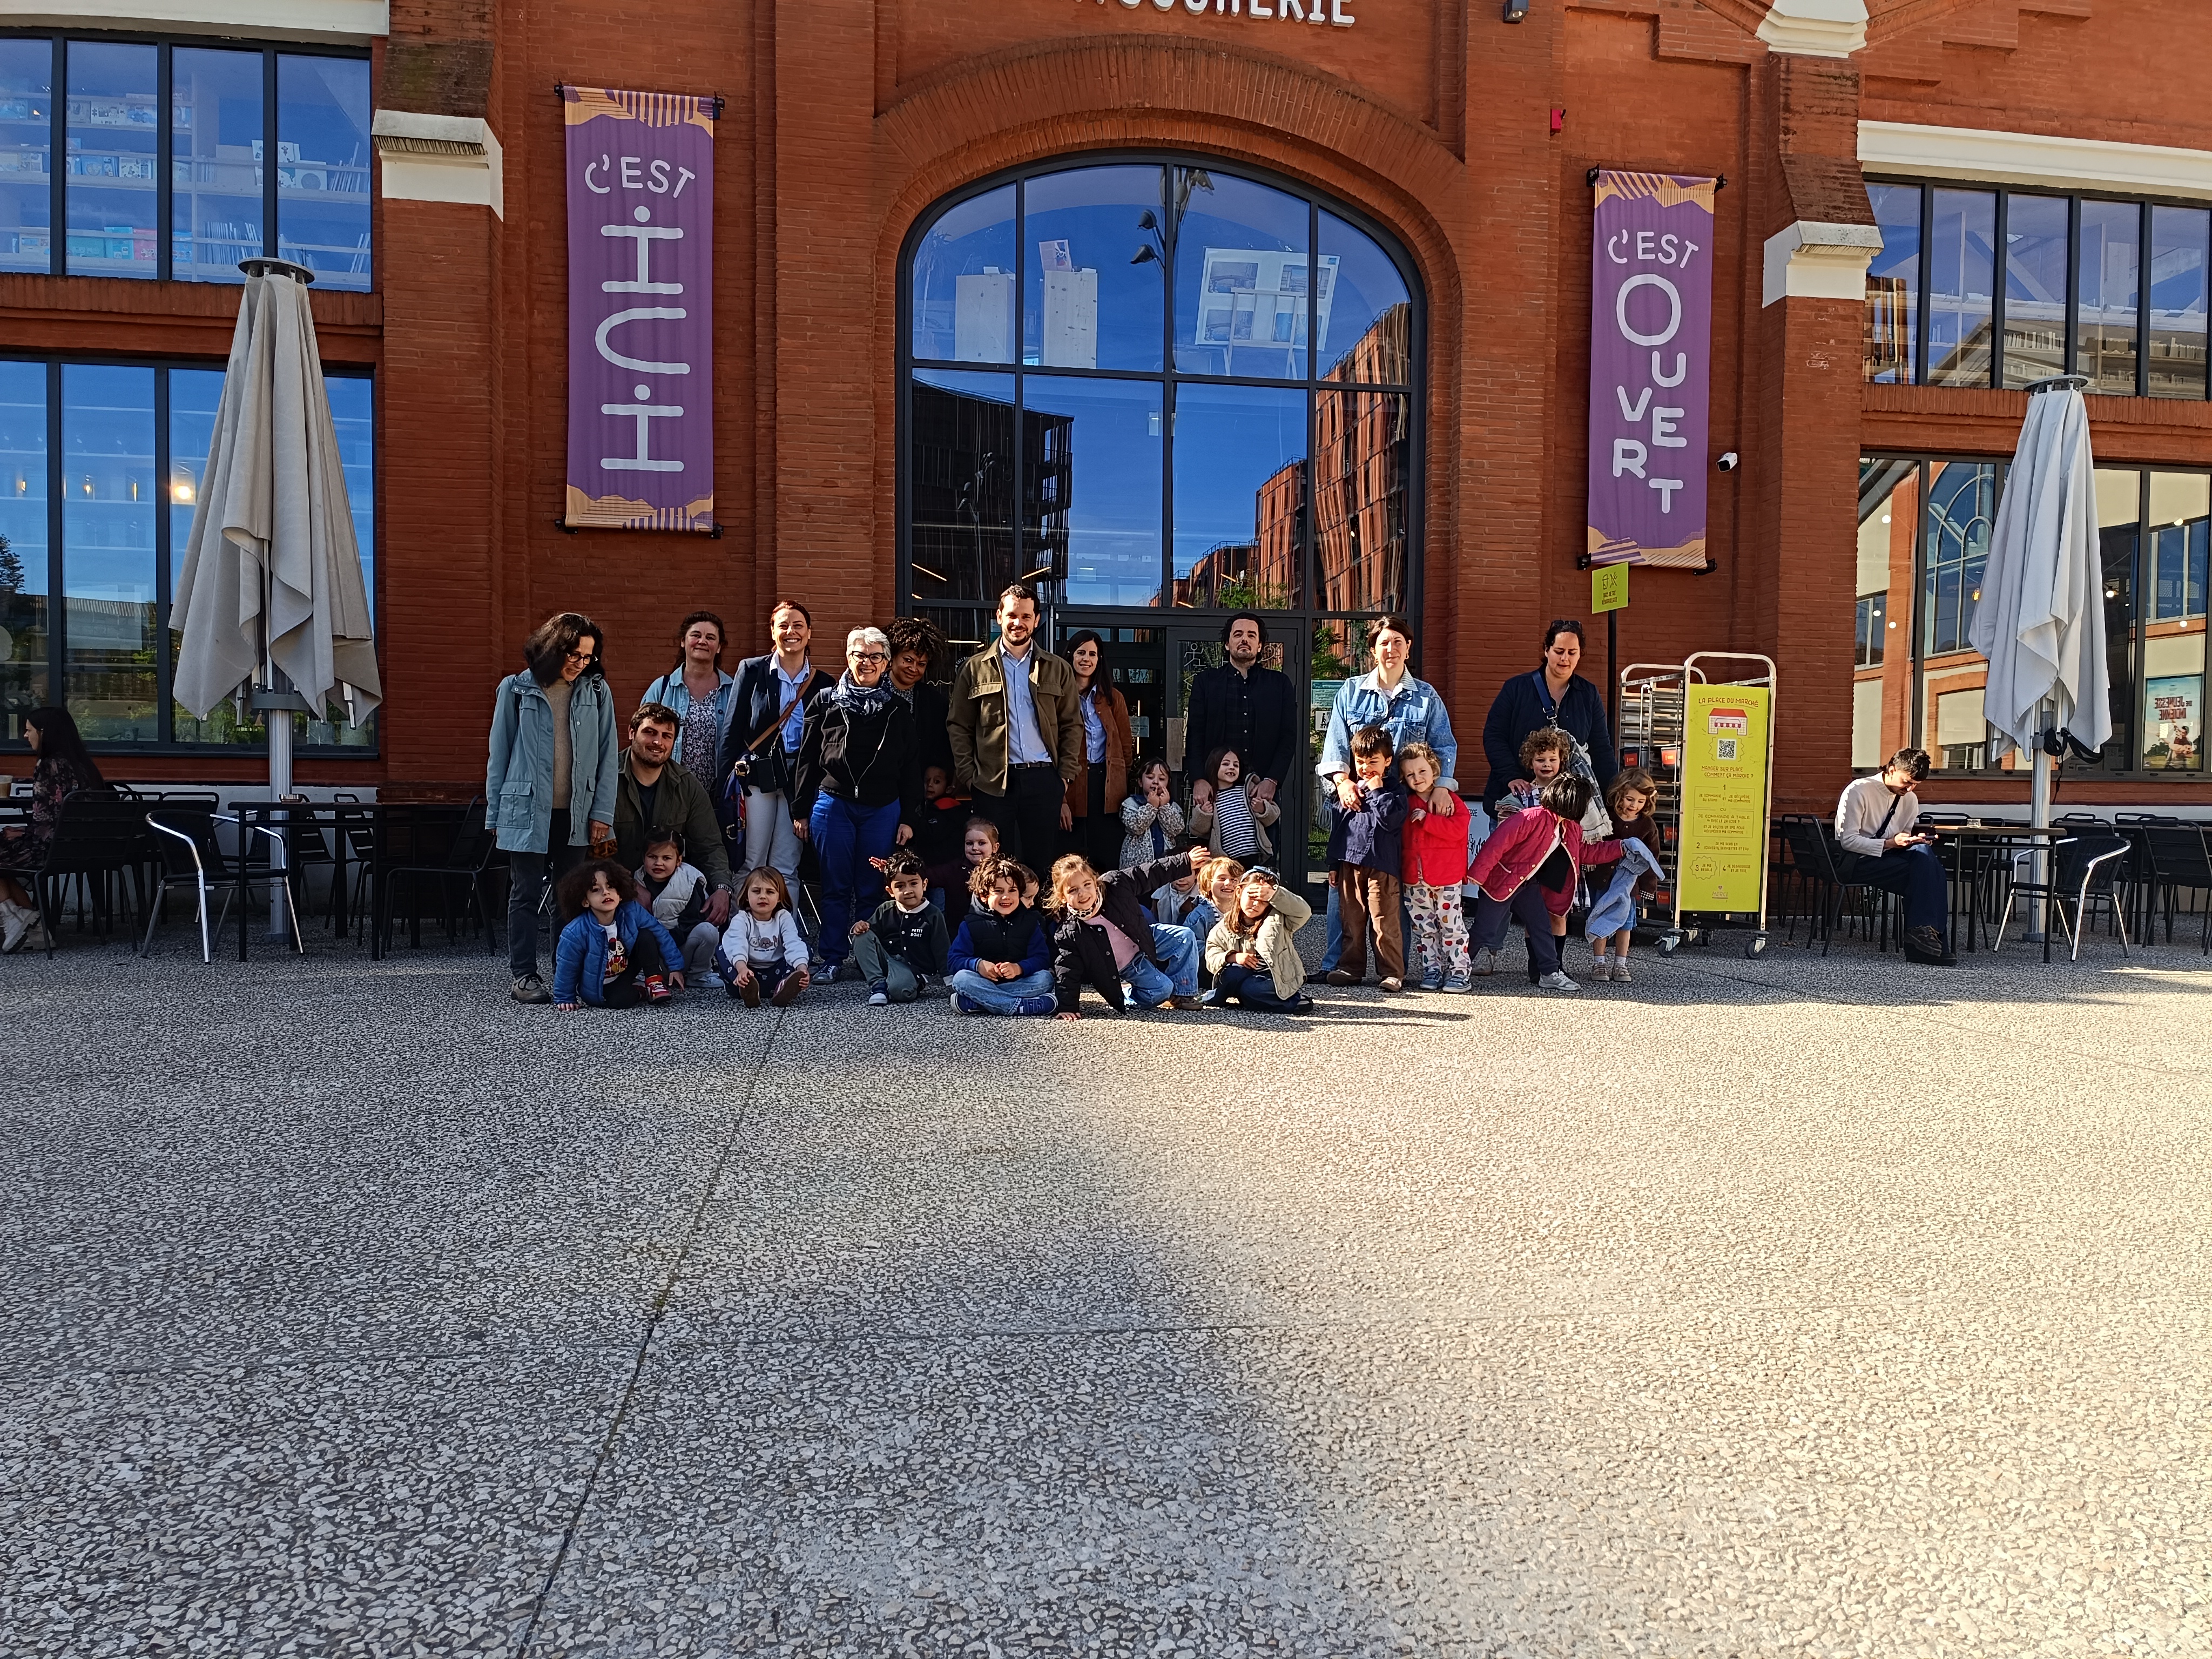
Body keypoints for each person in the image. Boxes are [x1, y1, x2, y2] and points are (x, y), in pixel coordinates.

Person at [1313, 614, 1459, 980]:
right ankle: (1338, 966)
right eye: (1383, 643)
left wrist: (1442, 787)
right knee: (1344, 891)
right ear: (1373, 650)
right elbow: (1334, 746)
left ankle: (1393, 969)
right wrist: (1342, 782)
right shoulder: (1351, 691)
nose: (1390, 649)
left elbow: (1444, 746)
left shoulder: (1426, 696)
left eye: (1398, 642)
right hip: (1356, 805)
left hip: (1402, 809)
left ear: (1408, 648)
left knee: (1395, 890)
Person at [487, 612, 620, 1003]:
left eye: (588, 657)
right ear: (552, 648)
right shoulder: (515, 690)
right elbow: (499, 755)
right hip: (526, 810)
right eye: (574, 654)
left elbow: (608, 756)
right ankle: (525, 976)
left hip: (577, 812)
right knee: (525, 893)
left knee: (570, 895)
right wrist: (495, 815)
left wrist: (603, 813)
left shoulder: (597, 692)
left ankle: (567, 973)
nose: (580, 663)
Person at [791, 625, 922, 981]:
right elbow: (807, 759)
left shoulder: (898, 710)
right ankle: (832, 957)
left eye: (875, 657)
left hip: (883, 808)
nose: (867, 663)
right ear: (847, 658)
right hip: (833, 804)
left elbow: (912, 768)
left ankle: (868, 958)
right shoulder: (824, 701)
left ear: (885, 663)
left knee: (871, 886)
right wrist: (800, 810)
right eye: (859, 655)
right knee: (834, 886)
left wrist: (910, 816)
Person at [946, 582, 1082, 867]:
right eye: (1011, 616)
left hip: (1044, 779)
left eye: (1025, 617)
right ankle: (994, 913)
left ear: (1037, 621)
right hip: (993, 782)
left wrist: (1065, 777)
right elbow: (959, 725)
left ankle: (1037, 914)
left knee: (1043, 864)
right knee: (995, 865)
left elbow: (1072, 724)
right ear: (999, 617)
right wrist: (970, 776)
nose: (1018, 623)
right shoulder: (974, 668)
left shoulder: (1058, 668)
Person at [1466, 774, 1626, 991]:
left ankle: (1550, 972)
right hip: (1502, 881)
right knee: (1484, 930)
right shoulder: (1530, 817)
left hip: (1528, 885)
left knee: (1541, 926)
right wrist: (1477, 875)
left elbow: (1585, 852)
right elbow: (1497, 844)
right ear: (1574, 803)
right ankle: (1457, 967)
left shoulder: (1571, 827)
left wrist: (1620, 848)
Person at [720, 599, 835, 881]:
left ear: (809, 633)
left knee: (787, 865)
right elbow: (732, 730)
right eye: (783, 625)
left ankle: (784, 926)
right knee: (750, 861)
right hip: (758, 775)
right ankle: (743, 925)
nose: (791, 631)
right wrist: (724, 782)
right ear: (772, 631)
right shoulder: (751, 670)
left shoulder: (825, 683)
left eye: (798, 625)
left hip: (800, 777)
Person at [611, 702, 734, 931]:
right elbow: (593, 849)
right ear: (631, 733)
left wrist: (722, 888)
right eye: (650, 732)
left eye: (667, 736)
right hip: (612, 889)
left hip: (670, 897)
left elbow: (709, 846)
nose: (658, 742)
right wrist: (628, 885)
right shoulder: (605, 778)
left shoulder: (687, 785)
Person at [1046, 847, 1209, 1018]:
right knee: (1162, 990)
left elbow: (1148, 873)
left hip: (1142, 936)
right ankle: (1128, 995)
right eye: (1073, 890)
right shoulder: (1070, 931)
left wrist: (1184, 862)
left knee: (1185, 936)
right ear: (1062, 896)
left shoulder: (1115, 884)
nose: (1083, 893)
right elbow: (1067, 969)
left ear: (1095, 882)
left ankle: (1182, 994)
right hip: (1128, 964)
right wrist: (1068, 1007)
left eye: (1087, 885)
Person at [1480, 618, 1618, 814]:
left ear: (1580, 655)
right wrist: (1510, 776)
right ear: (1547, 650)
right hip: (1516, 804)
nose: (1565, 659)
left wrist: (1614, 793)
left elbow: (1601, 749)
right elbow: (1494, 735)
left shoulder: (1588, 694)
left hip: (1568, 810)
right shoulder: (1516, 688)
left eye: (1572, 653)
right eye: (1559, 651)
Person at [0, 706, 107, 951]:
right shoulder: (85, 766)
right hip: (85, 848)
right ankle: (35, 931)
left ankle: (14, 919)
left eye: (28, 730)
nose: (25, 736)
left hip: (52, 850)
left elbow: (45, 822)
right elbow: (56, 818)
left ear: (44, 732)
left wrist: (23, 832)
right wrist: (25, 831)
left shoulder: (47, 766)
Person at [1835, 746, 1954, 966]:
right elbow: (1848, 841)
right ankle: (1930, 941)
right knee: (1929, 873)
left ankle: (1925, 941)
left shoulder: (1910, 800)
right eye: (1907, 782)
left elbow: (1903, 836)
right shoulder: (1859, 790)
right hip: (1856, 861)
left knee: (1924, 856)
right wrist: (1890, 843)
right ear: (1891, 769)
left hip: (1889, 859)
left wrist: (1910, 841)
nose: (1910, 789)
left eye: (1915, 785)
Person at [1184, 610, 1299, 817]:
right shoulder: (1206, 683)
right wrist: (1198, 779)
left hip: (1262, 792)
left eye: (1251, 635)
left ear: (1260, 645)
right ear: (1228, 644)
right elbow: (1194, 735)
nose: (1244, 639)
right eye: (1238, 634)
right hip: (1216, 791)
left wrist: (1272, 780)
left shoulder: (1279, 685)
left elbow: (1288, 737)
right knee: (1214, 850)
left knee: (1263, 849)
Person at [1325, 724, 1410, 991]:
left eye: (1373, 761)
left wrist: (1378, 791)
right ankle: (1350, 968)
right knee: (1351, 919)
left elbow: (1391, 821)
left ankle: (1392, 972)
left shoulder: (1395, 791)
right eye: (1360, 762)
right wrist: (1333, 864)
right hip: (1350, 863)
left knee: (1385, 922)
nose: (1366, 768)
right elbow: (1338, 829)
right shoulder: (1350, 791)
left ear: (1387, 761)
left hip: (1382, 865)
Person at [550, 859, 684, 1010]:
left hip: (626, 968)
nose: (606, 892)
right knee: (620, 1002)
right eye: (596, 890)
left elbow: (661, 934)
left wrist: (675, 967)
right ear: (585, 901)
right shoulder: (575, 931)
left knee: (647, 935)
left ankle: (654, 982)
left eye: (611, 887)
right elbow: (567, 965)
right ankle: (642, 992)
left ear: (620, 895)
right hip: (601, 986)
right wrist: (565, 997)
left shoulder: (632, 911)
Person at [1398, 741, 1473, 992]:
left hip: (1446, 877)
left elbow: (1459, 830)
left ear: (1435, 772)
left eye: (1422, 772)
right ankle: (1432, 969)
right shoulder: (1405, 803)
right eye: (1410, 775)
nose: (1417, 778)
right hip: (1414, 879)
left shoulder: (1450, 801)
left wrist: (1428, 821)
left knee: (1452, 926)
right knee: (1425, 928)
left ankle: (1460, 971)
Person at [946, 856, 1058, 1016]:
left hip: (1019, 981)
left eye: (1012, 890)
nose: (1006, 897)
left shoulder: (1031, 922)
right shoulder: (971, 924)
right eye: (999, 891)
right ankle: (1014, 1006)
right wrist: (978, 965)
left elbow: (1041, 958)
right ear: (984, 895)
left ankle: (980, 1002)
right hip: (983, 981)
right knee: (961, 979)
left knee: (1045, 979)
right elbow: (954, 960)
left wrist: (1019, 968)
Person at [640, 610, 737, 793]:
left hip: (719, 795)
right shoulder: (661, 689)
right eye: (696, 635)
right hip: (669, 791)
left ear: (719, 647)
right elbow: (642, 738)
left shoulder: (733, 691)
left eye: (710, 637)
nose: (702, 641)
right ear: (683, 641)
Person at [1062, 629, 1134, 871]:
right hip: (1071, 783)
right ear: (1071, 656)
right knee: (1070, 856)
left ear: (1099, 660)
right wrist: (1060, 797)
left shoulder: (1114, 699)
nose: (1086, 659)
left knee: (1105, 855)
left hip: (1107, 786)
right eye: (1081, 652)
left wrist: (1120, 782)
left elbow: (1126, 749)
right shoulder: (1058, 697)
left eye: (1093, 654)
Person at [1203, 866, 1316, 1013]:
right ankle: (1219, 997)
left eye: (1264, 901)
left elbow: (1304, 912)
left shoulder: (1281, 919)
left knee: (1251, 990)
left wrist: (1275, 895)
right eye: (1252, 897)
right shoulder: (1227, 923)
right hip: (1246, 972)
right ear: (1239, 893)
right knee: (1231, 974)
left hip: (1274, 977)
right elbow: (1212, 951)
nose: (1256, 905)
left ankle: (1294, 1002)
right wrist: (1233, 957)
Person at [1587, 767, 1662, 983]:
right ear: (1619, 793)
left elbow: (1651, 858)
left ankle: (1621, 964)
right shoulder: (1606, 818)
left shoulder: (1647, 825)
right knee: (1600, 917)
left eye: (1640, 802)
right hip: (1602, 878)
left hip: (1629, 885)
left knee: (1625, 923)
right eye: (1630, 799)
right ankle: (1599, 963)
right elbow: (1594, 844)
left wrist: (1649, 886)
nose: (1634, 806)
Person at [849, 848, 949, 1006]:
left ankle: (898, 984)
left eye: (913, 883)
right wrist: (859, 926)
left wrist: (950, 983)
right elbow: (870, 935)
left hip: (914, 969)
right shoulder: (885, 909)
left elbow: (942, 949)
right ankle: (878, 986)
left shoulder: (933, 914)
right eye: (900, 886)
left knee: (902, 992)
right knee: (861, 934)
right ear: (891, 891)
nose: (908, 891)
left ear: (924, 884)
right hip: (887, 961)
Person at [714, 866, 811, 1006]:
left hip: (776, 975)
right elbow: (736, 943)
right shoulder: (742, 919)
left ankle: (784, 986)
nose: (763, 896)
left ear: (779, 897)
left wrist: (802, 969)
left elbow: (793, 943)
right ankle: (747, 991)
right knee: (723, 948)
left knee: (804, 950)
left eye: (770, 892)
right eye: (756, 891)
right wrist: (742, 969)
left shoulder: (783, 917)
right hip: (745, 976)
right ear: (747, 896)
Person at [636, 827, 723, 978]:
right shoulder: (636, 881)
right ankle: (648, 976)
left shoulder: (690, 881)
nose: (659, 863)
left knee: (708, 931)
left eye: (666, 858)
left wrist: (667, 942)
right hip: (652, 955)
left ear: (679, 860)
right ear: (644, 858)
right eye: (653, 857)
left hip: (682, 950)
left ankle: (699, 974)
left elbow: (694, 920)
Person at [887, 615, 955, 780]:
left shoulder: (935, 703)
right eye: (908, 660)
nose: (913, 668)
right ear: (893, 656)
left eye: (921, 664)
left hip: (915, 786)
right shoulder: (873, 692)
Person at [1188, 746, 1279, 862]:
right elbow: (1197, 830)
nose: (1232, 767)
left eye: (1236, 765)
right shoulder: (1209, 796)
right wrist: (1204, 814)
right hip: (1227, 860)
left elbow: (1274, 815)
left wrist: (1262, 809)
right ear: (1214, 766)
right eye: (1226, 764)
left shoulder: (1248, 790)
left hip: (1254, 854)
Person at [1118, 758, 1185, 869]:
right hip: (1136, 867)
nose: (1156, 782)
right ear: (1140, 782)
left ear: (1168, 783)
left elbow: (1176, 829)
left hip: (1165, 865)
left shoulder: (1172, 806)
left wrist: (1164, 807)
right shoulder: (1131, 804)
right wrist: (1151, 807)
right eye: (1150, 778)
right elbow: (1136, 827)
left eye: (1162, 779)